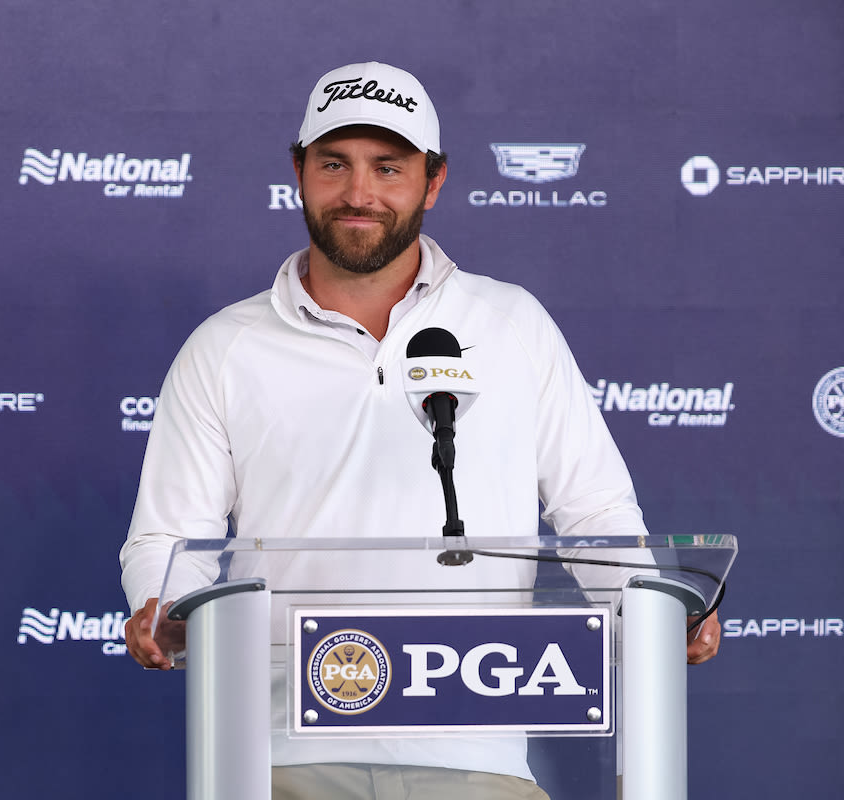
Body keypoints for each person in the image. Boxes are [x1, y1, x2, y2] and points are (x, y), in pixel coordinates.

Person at [120, 61, 721, 800]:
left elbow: (596, 515)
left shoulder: (511, 324)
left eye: (388, 167)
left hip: (480, 755)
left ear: (433, 181)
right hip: (283, 755)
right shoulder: (224, 346)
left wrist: (654, 613)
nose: (358, 193)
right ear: (298, 172)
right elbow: (169, 538)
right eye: (334, 164)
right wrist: (165, 610)